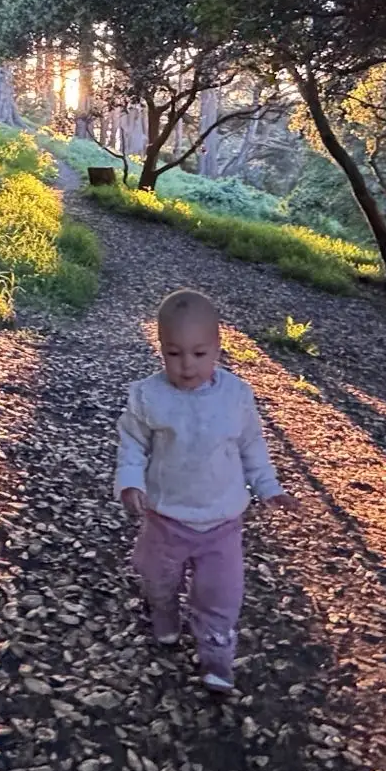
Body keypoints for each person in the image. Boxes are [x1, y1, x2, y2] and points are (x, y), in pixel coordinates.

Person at [114, 288, 299, 693]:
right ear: (160, 349)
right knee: (157, 577)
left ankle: (216, 660)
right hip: (165, 517)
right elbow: (132, 444)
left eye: (198, 354)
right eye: (173, 353)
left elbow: (252, 446)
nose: (185, 366)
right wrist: (130, 482)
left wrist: (269, 488)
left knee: (220, 594)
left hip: (222, 523)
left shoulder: (236, 397)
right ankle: (163, 614)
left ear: (218, 347)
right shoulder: (149, 396)